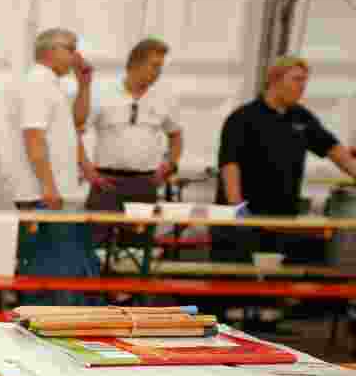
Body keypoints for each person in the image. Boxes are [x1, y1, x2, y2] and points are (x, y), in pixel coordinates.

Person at [212, 55, 356, 331]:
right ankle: (232, 324)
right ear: (275, 79)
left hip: (283, 214)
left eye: (305, 81)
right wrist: (236, 207)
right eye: (297, 80)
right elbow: (229, 164)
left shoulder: (302, 118)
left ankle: (266, 325)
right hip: (248, 212)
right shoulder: (244, 117)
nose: (302, 87)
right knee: (238, 274)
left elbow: (336, 153)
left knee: (274, 274)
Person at [6, 28, 100, 306]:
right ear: (50, 51)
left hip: (54, 195)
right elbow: (33, 136)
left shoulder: (53, 86)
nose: (76, 56)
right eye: (70, 49)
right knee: (48, 277)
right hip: (44, 197)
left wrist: (84, 85)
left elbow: (77, 123)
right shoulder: (36, 83)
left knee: (64, 272)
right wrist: (48, 186)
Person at [84, 37, 183, 247]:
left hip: (144, 184)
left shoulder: (164, 98)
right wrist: (87, 169)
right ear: (135, 63)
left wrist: (170, 164)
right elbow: (76, 132)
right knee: (94, 246)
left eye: (161, 67)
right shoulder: (103, 94)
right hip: (106, 183)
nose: (158, 72)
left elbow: (175, 135)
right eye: (154, 66)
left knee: (137, 247)